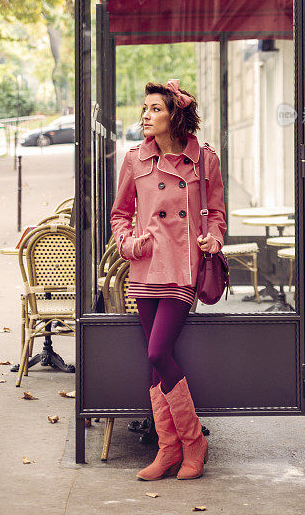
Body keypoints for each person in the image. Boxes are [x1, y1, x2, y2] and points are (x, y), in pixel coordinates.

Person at [110, 79, 226, 481]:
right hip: (145, 266)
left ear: (174, 115)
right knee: (153, 363)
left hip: (182, 268)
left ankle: (194, 442)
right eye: (144, 108)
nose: (145, 115)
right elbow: (119, 214)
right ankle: (168, 449)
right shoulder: (134, 159)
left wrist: (214, 239)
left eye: (154, 109)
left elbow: (217, 212)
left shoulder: (204, 160)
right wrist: (128, 243)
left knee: (159, 353)